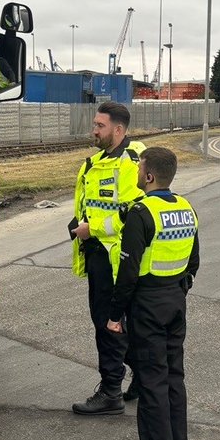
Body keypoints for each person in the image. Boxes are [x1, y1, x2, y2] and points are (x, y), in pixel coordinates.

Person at [106, 146, 199, 440]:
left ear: (148, 176)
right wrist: (177, 291)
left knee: (152, 382)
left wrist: (115, 314)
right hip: (175, 300)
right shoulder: (187, 208)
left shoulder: (141, 213)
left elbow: (127, 272)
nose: (135, 173)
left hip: (147, 305)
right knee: (175, 378)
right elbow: (194, 263)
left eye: (138, 168)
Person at [69, 101, 145, 414]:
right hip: (98, 253)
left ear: (117, 129)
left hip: (116, 258)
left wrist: (93, 228)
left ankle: (111, 392)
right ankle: (142, 372)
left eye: (99, 126)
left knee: (107, 324)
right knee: (114, 323)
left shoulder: (131, 163)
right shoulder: (97, 162)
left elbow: (133, 214)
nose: (93, 130)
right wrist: (79, 224)